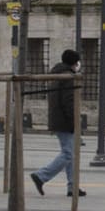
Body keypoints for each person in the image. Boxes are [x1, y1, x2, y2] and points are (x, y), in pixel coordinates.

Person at [30, 49, 87, 198]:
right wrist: (75, 120)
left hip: (59, 118)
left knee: (70, 153)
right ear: (74, 63)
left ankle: (72, 187)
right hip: (65, 120)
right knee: (68, 154)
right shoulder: (68, 77)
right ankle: (41, 176)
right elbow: (69, 102)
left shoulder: (58, 74)